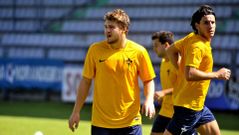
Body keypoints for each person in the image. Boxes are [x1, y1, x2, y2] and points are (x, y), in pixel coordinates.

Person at [68, 9, 156, 135]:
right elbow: (86, 81)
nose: (107, 31)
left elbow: (148, 80)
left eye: (111, 27)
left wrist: (149, 100)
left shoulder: (139, 52)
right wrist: (76, 111)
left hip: (130, 122)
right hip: (101, 123)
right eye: (105, 27)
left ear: (124, 28)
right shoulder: (95, 50)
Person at [164, 5, 231, 135]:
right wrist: (217, 75)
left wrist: (179, 68)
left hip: (198, 106)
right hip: (188, 107)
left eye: (213, 22)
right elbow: (190, 74)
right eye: (206, 23)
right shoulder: (198, 46)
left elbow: (170, 50)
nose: (210, 26)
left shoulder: (191, 37)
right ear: (197, 25)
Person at [150, 31, 177, 135]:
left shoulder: (178, 62)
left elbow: (184, 86)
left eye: (156, 45)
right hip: (165, 110)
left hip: (177, 113)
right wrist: (163, 97)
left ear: (166, 45)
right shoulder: (163, 62)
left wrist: (164, 92)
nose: (154, 49)